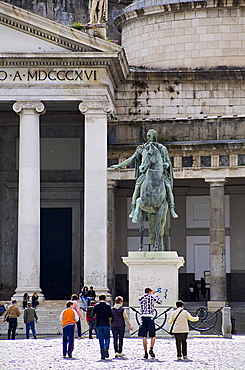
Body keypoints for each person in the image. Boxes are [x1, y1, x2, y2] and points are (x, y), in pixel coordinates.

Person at [109, 129, 178, 220]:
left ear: (154, 137)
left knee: (168, 186)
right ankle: (133, 209)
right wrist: (119, 166)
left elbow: (168, 162)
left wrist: (165, 164)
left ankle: (172, 209)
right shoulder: (142, 148)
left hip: (159, 174)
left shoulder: (162, 148)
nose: (147, 137)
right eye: (147, 135)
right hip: (146, 174)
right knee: (137, 186)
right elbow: (132, 159)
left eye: (150, 135)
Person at [138, 287, 162, 359]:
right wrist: (155, 294)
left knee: (144, 336)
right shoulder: (152, 297)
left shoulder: (141, 298)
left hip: (143, 316)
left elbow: (140, 298)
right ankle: (151, 349)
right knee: (153, 335)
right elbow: (160, 301)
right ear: (150, 291)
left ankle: (145, 352)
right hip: (150, 316)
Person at [92, 294, 112, 360]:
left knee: (101, 340)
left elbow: (93, 315)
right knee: (107, 338)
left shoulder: (96, 306)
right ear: (105, 299)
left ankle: (102, 354)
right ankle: (106, 347)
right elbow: (111, 316)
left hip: (99, 324)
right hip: (106, 324)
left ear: (99, 299)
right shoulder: (108, 306)